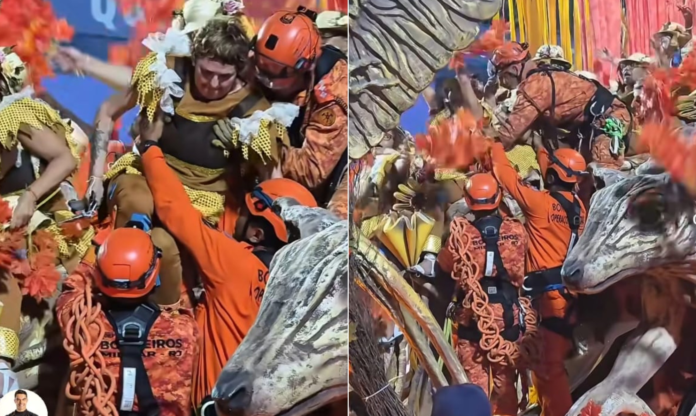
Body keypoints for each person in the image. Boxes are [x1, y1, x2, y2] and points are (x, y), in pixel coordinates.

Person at [93, 14, 297, 307]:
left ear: (239, 71)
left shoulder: (255, 112)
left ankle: (162, 320)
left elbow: (271, 183)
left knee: (164, 245)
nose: (213, 83)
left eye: (224, 77)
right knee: (136, 204)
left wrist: (243, 153)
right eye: (206, 72)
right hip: (144, 179)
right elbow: (107, 111)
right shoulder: (165, 73)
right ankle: (114, 285)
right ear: (195, 59)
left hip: (197, 204)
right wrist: (95, 178)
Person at [137, 126, 318, 408]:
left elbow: (176, 209)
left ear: (257, 234)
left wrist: (149, 146)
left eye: (243, 212)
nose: (236, 214)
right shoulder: (299, 296)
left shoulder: (234, 264)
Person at [57, 216, 199, 416]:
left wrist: (104, 244)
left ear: (99, 276)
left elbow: (72, 288)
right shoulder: (185, 330)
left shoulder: (81, 323)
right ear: (154, 276)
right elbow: (180, 298)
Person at [490, 141, 588, 416]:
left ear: (553, 175)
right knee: (550, 364)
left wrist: (495, 146)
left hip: (548, 299)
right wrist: (542, 150)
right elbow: (555, 175)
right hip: (569, 296)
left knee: (548, 368)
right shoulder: (579, 208)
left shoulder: (539, 203)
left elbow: (505, 175)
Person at [214, 7, 348, 206]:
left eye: (273, 76)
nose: (263, 81)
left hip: (324, 176)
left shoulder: (333, 91)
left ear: (303, 69)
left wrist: (255, 145)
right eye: (260, 68)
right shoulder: (255, 59)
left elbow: (312, 171)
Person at [437, 173, 531, 416]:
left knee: (473, 384)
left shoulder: (460, 236)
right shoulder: (517, 231)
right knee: (505, 381)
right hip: (507, 315)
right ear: (498, 197)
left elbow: (444, 267)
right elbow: (525, 266)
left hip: (473, 316)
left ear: (468, 200)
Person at [489, 41, 631, 170]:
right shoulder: (541, 77)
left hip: (609, 119)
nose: (500, 83)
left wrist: (483, 150)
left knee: (603, 173)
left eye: (501, 76)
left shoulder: (534, 86)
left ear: (514, 70)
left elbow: (508, 135)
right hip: (590, 125)